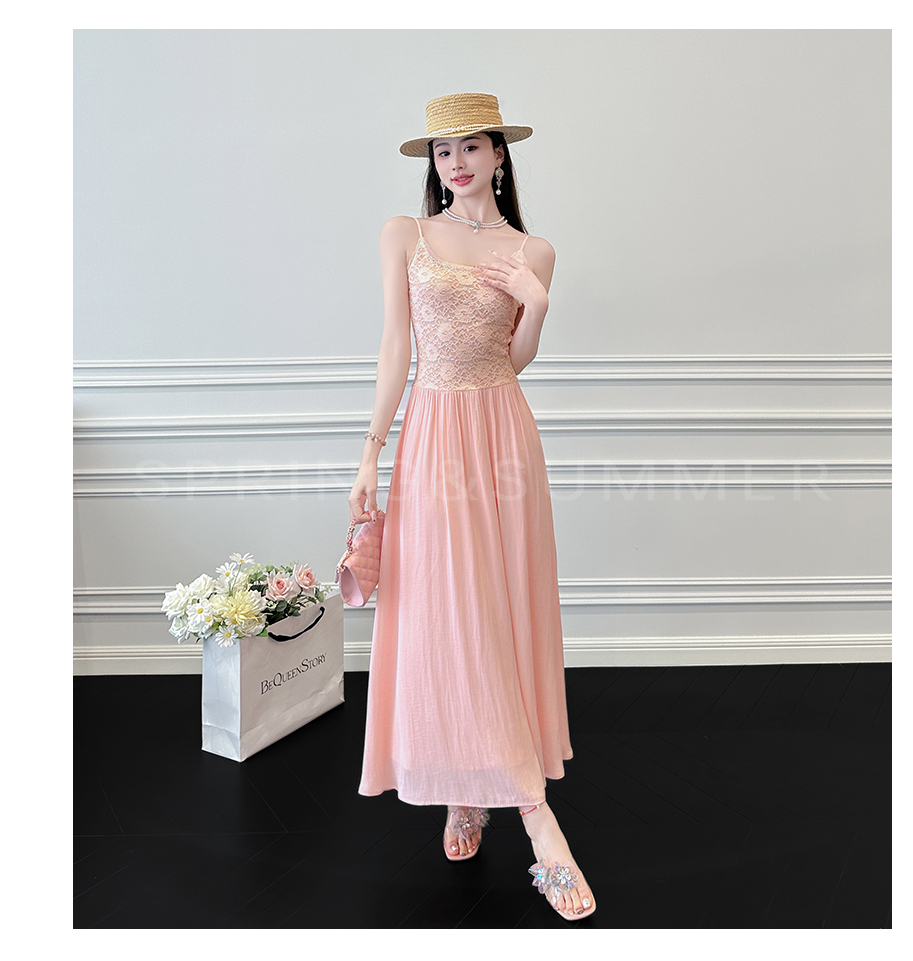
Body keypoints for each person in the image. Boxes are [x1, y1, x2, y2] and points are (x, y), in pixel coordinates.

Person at [349, 92, 596, 921]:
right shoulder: (405, 235)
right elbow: (396, 348)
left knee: (501, 608)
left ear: (499, 155)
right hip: (433, 435)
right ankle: (518, 810)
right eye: (442, 151)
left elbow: (514, 359)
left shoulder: (535, 249)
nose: (455, 163)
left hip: (504, 437)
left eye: (471, 147)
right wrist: (371, 451)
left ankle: (494, 790)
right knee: (447, 610)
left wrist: (538, 300)